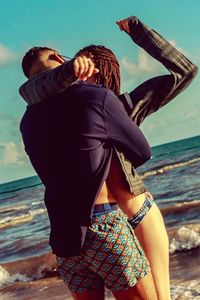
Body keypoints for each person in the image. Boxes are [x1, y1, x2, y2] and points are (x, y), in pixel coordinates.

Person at [19, 16, 197, 300]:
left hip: (136, 216)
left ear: (103, 73)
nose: (81, 74)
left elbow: (186, 71)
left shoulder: (125, 104)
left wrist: (139, 32)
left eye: (90, 68)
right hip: (95, 227)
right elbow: (34, 89)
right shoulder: (54, 116)